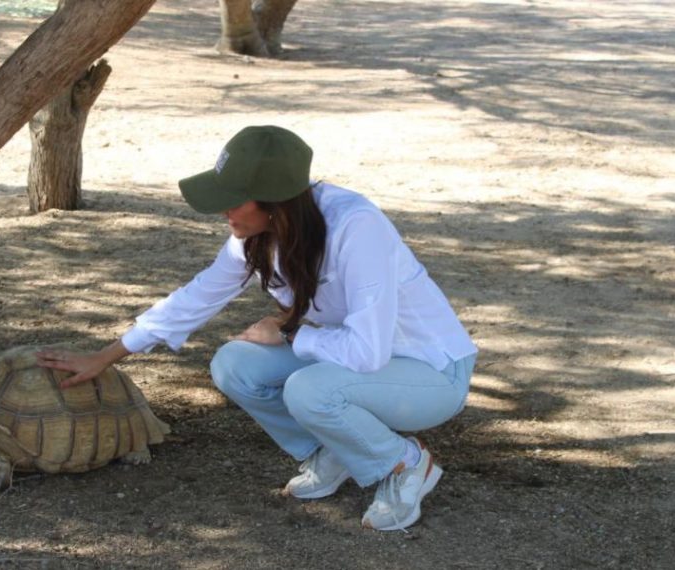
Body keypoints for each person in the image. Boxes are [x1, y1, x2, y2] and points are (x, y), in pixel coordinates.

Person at [36, 125, 478, 531]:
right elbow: (196, 296)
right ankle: (330, 451)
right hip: (358, 360)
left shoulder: (356, 227)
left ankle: (404, 464)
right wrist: (106, 356)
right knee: (235, 364)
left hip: (431, 373)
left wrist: (290, 334)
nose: (223, 211)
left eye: (234, 199)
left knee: (310, 389)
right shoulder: (260, 235)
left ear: (275, 202)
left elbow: (368, 352)